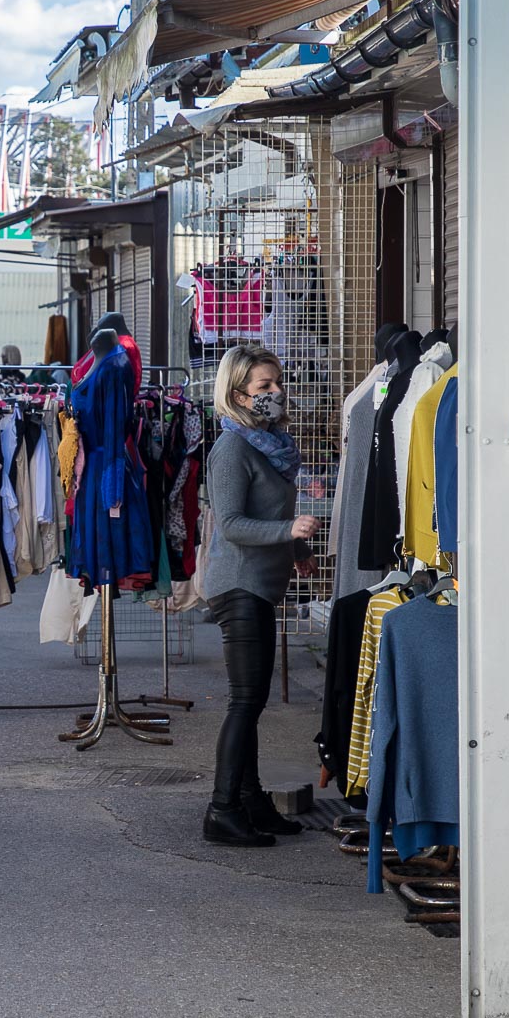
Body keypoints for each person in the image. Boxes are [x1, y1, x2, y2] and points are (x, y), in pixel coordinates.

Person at [202, 344, 318, 847]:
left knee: (253, 699)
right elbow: (231, 524)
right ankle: (222, 809)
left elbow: (266, 514)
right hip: (238, 584)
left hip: (262, 585)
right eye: (263, 387)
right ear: (237, 395)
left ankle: (251, 802)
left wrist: (295, 548)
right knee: (245, 701)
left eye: (276, 383)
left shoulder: (270, 443)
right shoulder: (232, 449)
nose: (275, 393)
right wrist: (288, 528)